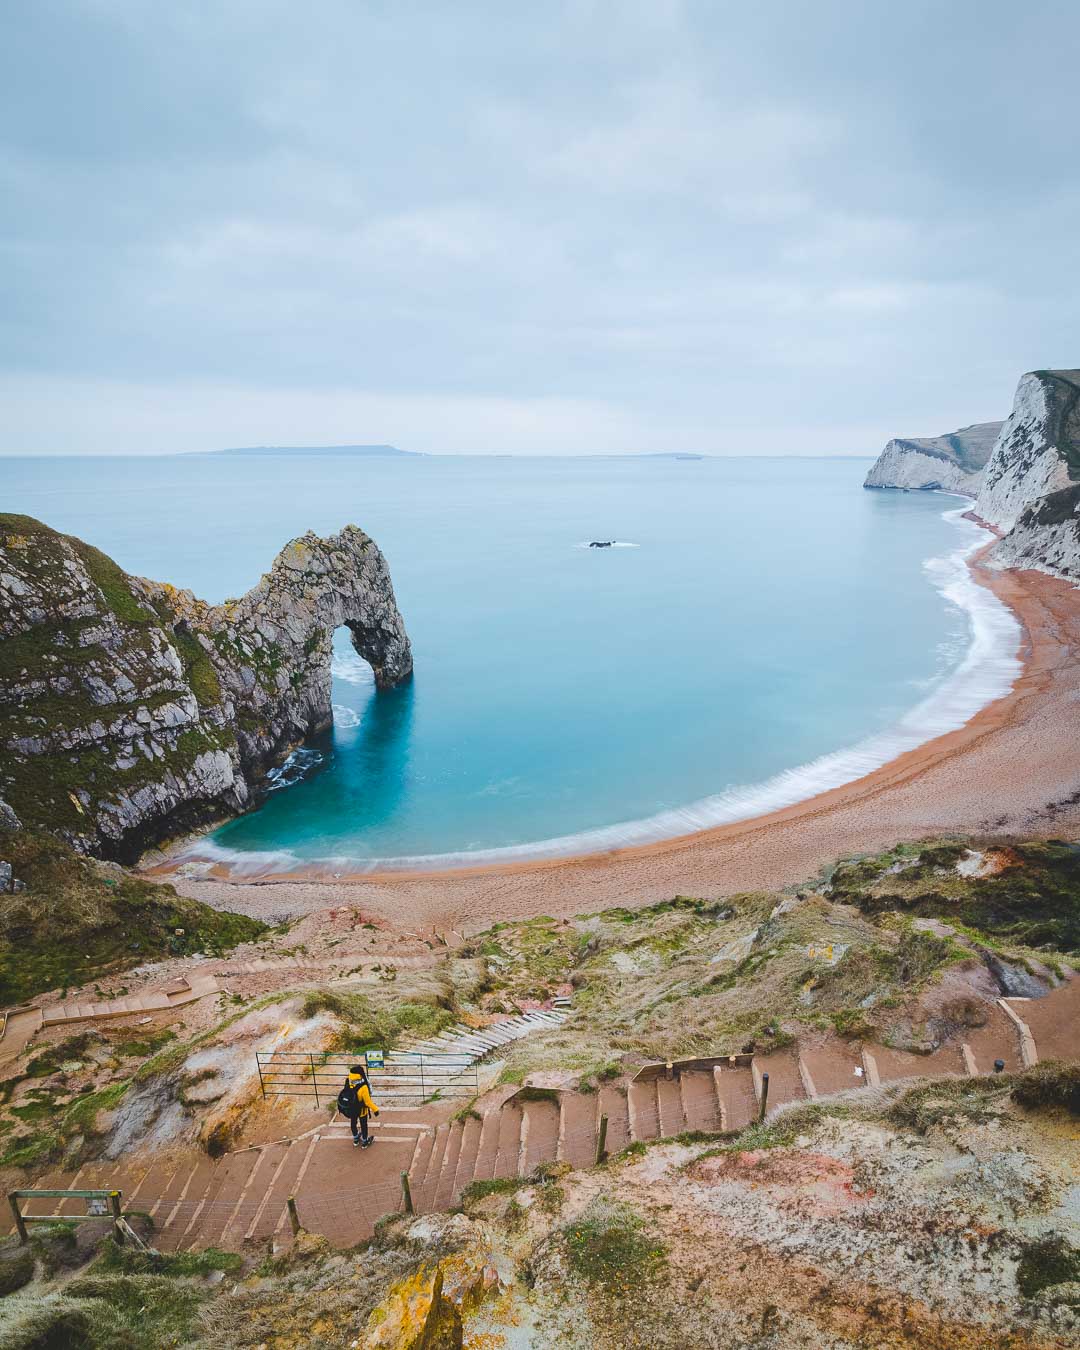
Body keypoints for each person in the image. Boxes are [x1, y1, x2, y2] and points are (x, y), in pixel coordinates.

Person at [337, 1064, 380, 1148]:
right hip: (361, 1110)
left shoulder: (349, 1081)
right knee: (363, 1125)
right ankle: (364, 1141)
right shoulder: (363, 1087)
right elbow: (367, 1102)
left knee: (353, 1123)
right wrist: (375, 1110)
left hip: (352, 1109)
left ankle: (356, 1139)